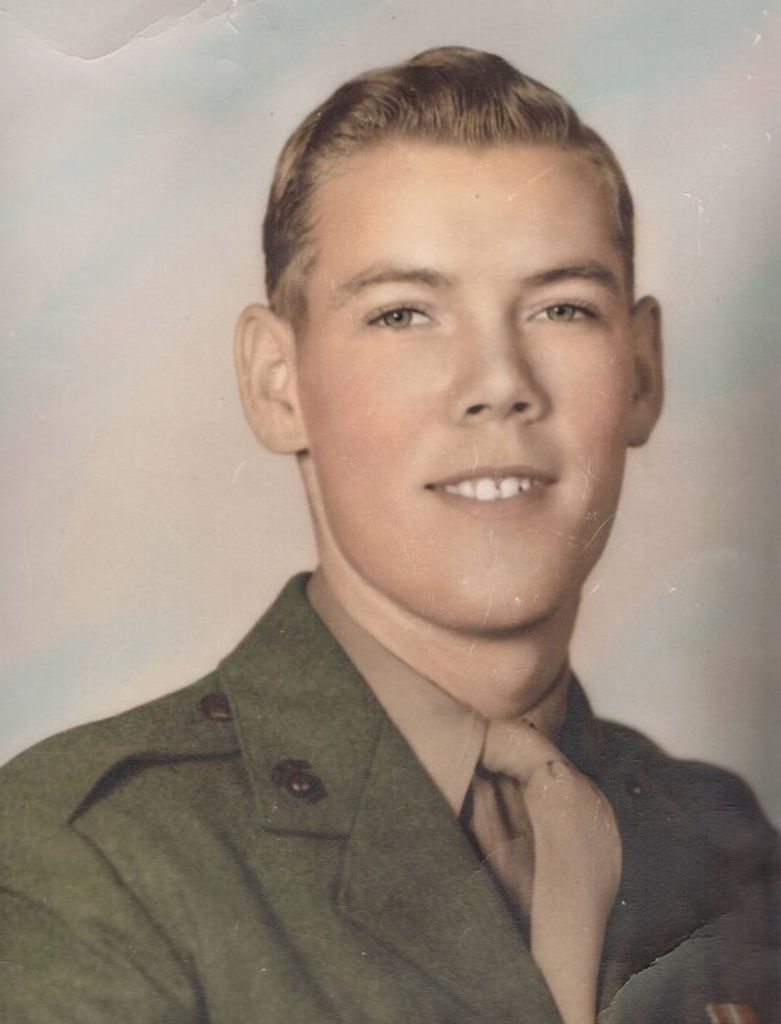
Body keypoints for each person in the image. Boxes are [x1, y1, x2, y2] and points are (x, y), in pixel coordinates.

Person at [1, 46, 777, 1024]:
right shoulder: (87, 861)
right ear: (277, 383)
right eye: (404, 314)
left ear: (642, 369)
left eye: (562, 307)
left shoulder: (721, 845)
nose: (498, 381)